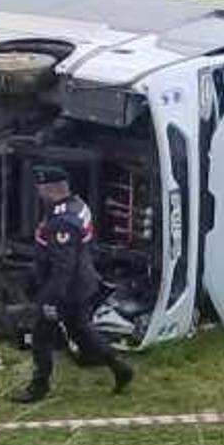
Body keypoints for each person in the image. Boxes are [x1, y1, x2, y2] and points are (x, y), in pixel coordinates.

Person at [11, 166, 134, 404]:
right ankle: (120, 368)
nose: (38, 192)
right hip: (82, 283)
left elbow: (63, 268)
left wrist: (50, 300)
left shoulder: (61, 223)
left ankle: (38, 386)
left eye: (40, 187)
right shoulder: (76, 206)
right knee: (82, 332)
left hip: (65, 289)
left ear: (50, 188)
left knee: (41, 336)